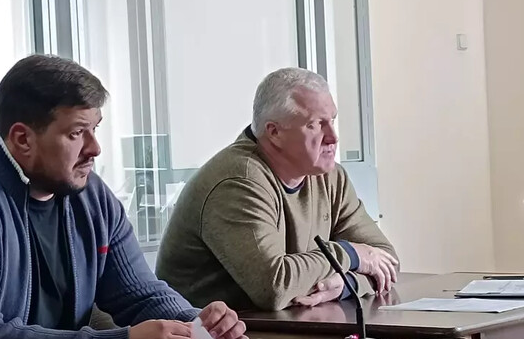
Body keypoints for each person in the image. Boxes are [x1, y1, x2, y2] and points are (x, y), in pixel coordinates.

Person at [0, 54, 248, 339]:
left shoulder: (89, 193)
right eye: (77, 133)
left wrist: (196, 326)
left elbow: (138, 294)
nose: (95, 148)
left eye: (95, 129)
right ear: (22, 139)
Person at [156, 67, 399, 312]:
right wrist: (350, 254)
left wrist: (344, 284)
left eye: (332, 121)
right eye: (315, 124)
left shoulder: (330, 177)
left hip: (284, 329)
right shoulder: (239, 182)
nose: (333, 137)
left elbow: (386, 260)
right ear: (274, 133)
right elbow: (274, 288)